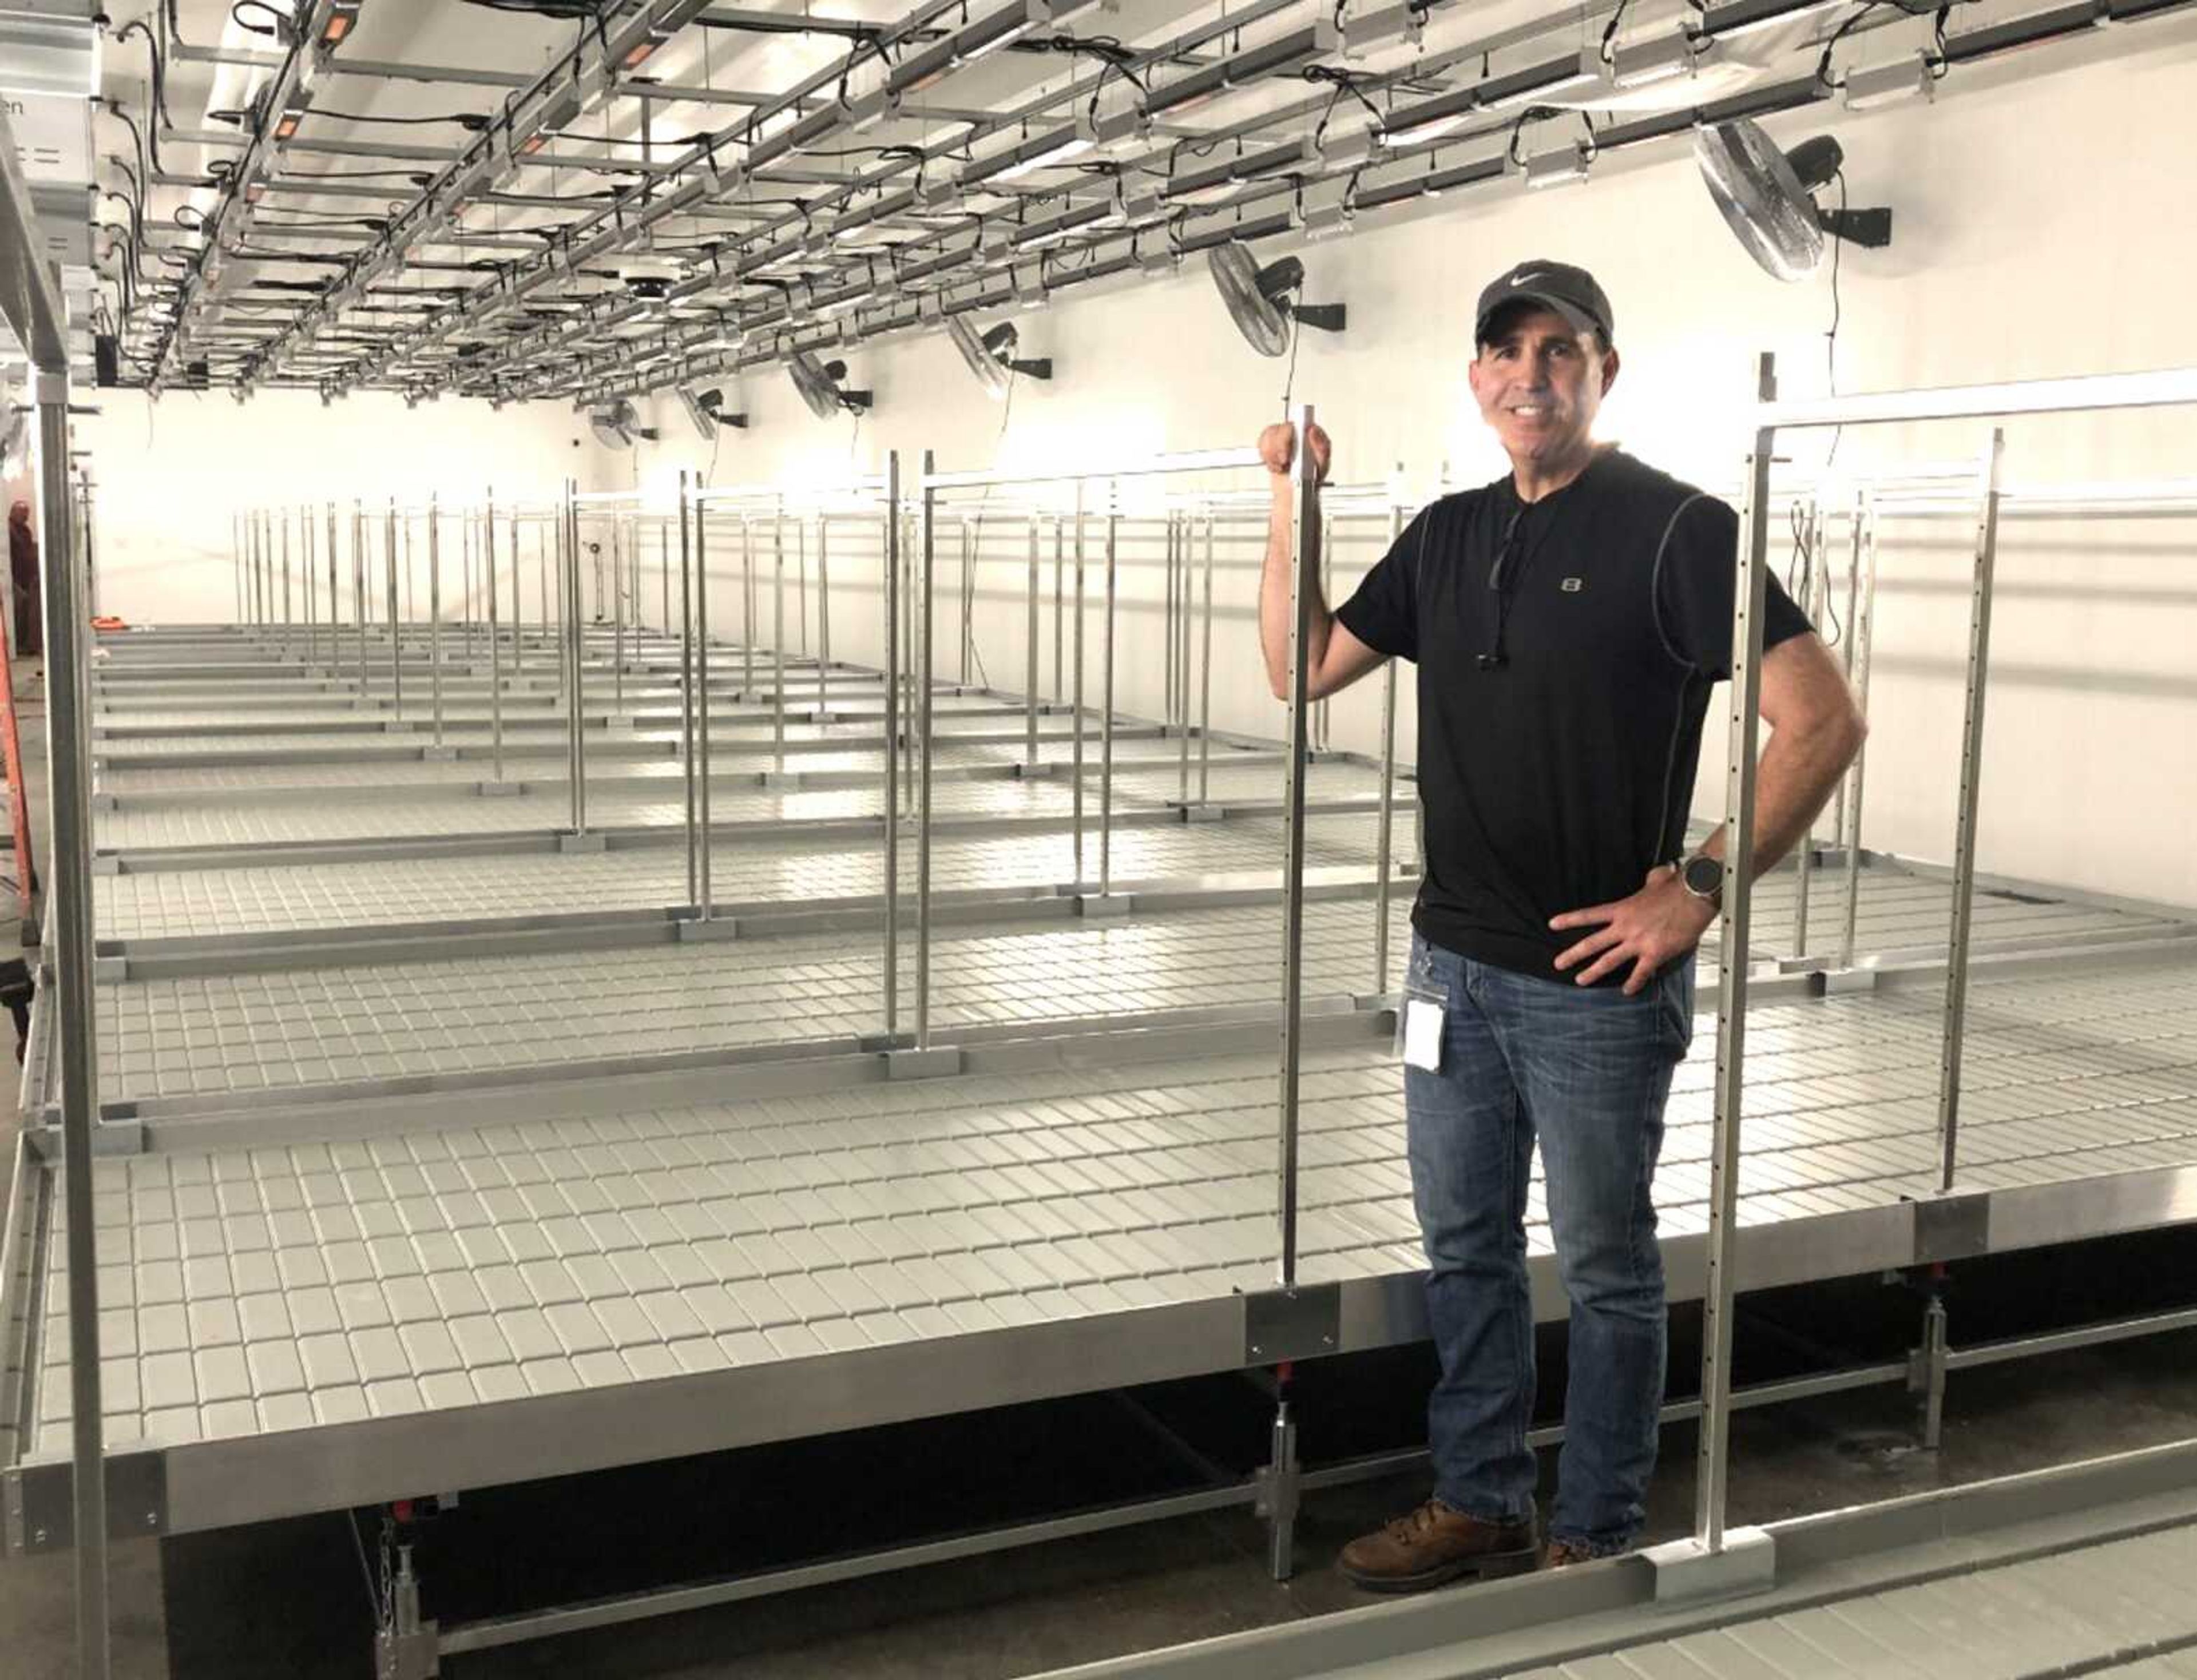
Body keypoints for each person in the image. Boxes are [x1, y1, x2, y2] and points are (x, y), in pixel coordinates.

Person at [1255, 260, 1866, 1586]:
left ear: (1602, 372)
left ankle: (1593, 1526)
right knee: (1462, 1249)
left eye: (1559, 349)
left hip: (1590, 983)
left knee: (1603, 1267)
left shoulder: (1677, 530)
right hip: (1450, 970)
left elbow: (1820, 719)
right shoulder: (1444, 534)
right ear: (1475, 378)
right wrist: (1288, 495)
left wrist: (1696, 884)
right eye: (1503, 351)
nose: (1528, 373)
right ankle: (1477, 1493)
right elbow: (1298, 667)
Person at [6, 501, 37, 659]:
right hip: (10, 577)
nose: (26, 516)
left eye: (27, 513)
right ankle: (16, 644)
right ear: (13, 512)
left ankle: (23, 644)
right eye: (23, 513)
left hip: (25, 577)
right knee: (21, 604)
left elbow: (29, 552)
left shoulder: (25, 530)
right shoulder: (7, 529)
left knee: (27, 608)